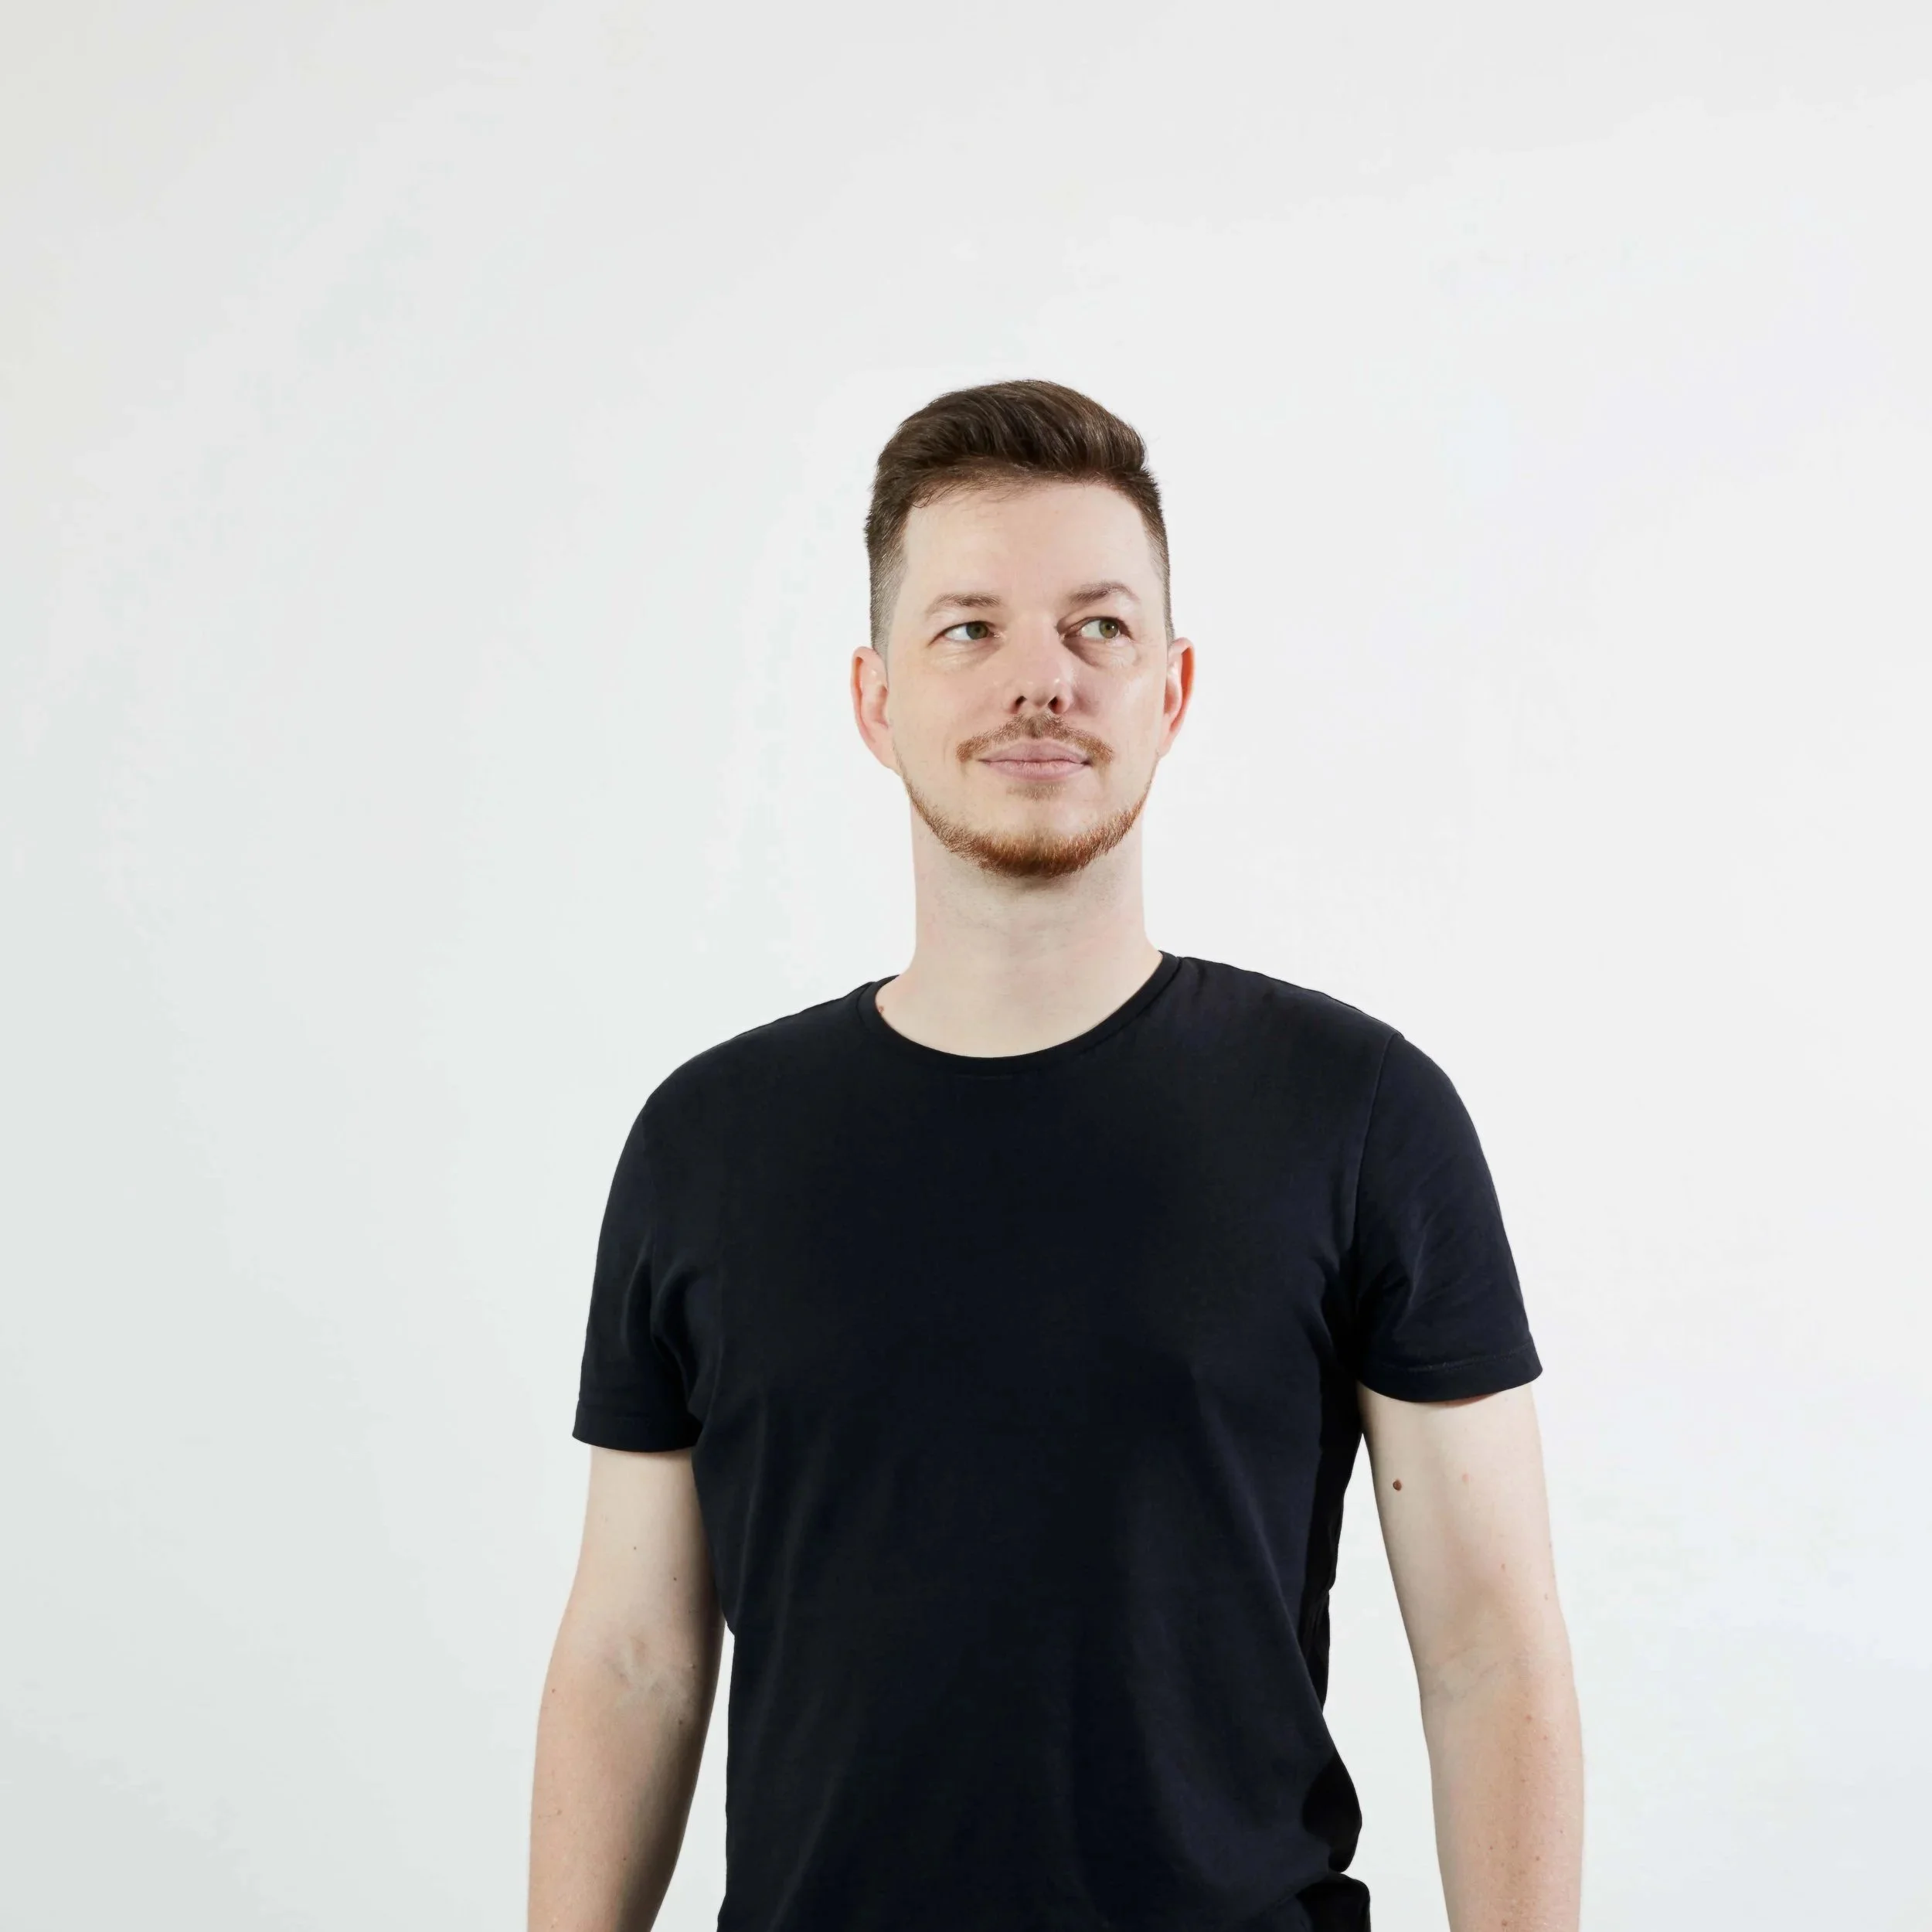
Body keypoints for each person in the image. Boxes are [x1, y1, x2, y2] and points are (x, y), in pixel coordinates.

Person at [529, 379, 1584, 1932]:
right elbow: (633, 1650)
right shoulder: (709, 1139)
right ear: (873, 698)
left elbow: (1489, 1646)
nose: (1042, 680)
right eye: (968, 628)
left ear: (1168, 686)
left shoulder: (1358, 1115)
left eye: (1096, 627)